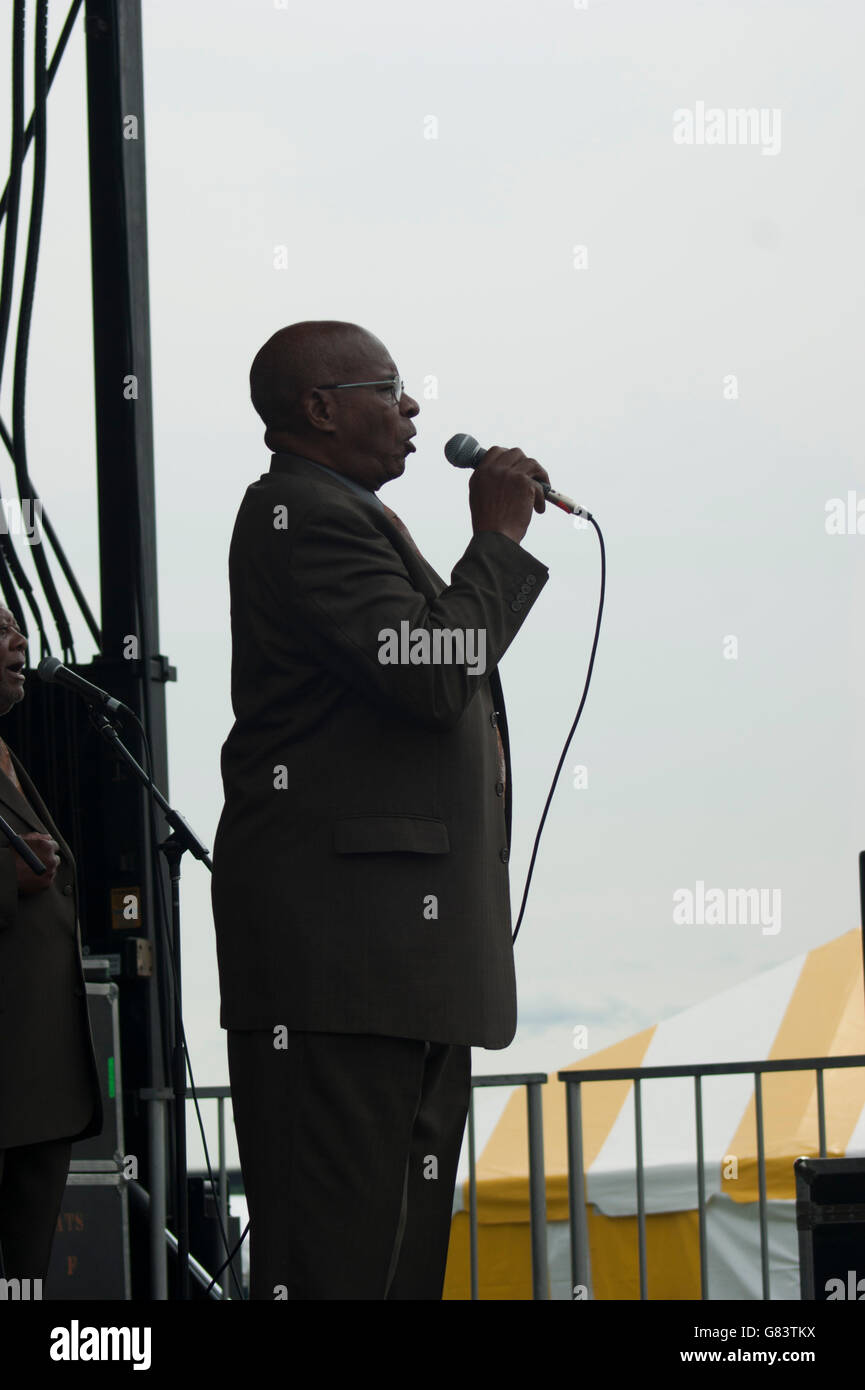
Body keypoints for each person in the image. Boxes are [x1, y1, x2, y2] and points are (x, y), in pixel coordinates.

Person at [211, 320, 550, 1299]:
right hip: (345, 964)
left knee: (396, 1263)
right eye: (390, 388)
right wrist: (493, 541)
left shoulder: (344, 514)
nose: (411, 409)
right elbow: (431, 669)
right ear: (318, 408)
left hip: (401, 966)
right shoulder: (298, 513)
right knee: (338, 1260)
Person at [0, 605, 103, 1285]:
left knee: (24, 1279)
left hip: (36, 1084)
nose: (21, 640)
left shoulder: (11, 753)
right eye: (0, 629)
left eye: (19, 625)